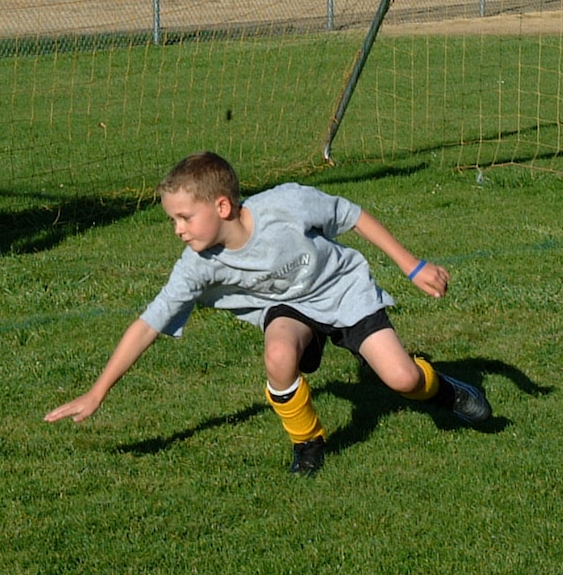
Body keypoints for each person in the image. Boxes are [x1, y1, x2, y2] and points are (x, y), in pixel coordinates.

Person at [45, 151, 490, 474]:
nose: (178, 230)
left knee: (402, 379)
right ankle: (308, 441)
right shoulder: (197, 265)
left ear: (221, 206)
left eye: (184, 217)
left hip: (342, 291)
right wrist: (98, 391)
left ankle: (446, 392)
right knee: (278, 355)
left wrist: (412, 266)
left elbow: (352, 215)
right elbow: (147, 325)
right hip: (292, 309)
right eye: (172, 221)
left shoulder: (287, 205)